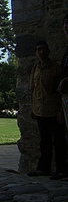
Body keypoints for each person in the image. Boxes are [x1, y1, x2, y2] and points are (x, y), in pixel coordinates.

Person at [28, 40, 67, 179]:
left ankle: (61, 169)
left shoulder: (56, 68)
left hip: (54, 110)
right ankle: (43, 168)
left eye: (44, 49)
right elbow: (34, 90)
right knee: (44, 142)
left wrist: (61, 111)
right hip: (40, 111)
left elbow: (61, 92)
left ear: (48, 51)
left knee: (59, 141)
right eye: (38, 49)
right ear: (35, 53)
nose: (41, 52)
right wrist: (34, 108)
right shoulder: (35, 69)